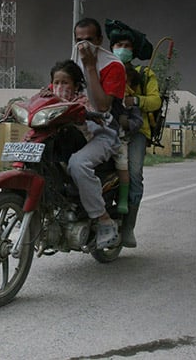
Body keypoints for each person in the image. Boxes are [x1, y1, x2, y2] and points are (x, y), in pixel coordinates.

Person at [70, 17, 127, 249]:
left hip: (104, 131)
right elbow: (57, 88)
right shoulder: (72, 63)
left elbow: (102, 105)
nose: (83, 46)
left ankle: (103, 220)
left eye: (89, 40)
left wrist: (91, 66)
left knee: (77, 164)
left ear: (100, 40)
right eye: (79, 40)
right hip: (76, 126)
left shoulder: (113, 66)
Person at [108, 27, 161, 248]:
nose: (123, 49)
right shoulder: (105, 70)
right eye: (119, 45)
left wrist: (136, 101)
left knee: (134, 173)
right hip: (106, 126)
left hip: (137, 130)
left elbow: (155, 101)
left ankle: (128, 226)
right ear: (111, 48)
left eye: (127, 46)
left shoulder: (145, 74)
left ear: (134, 50)